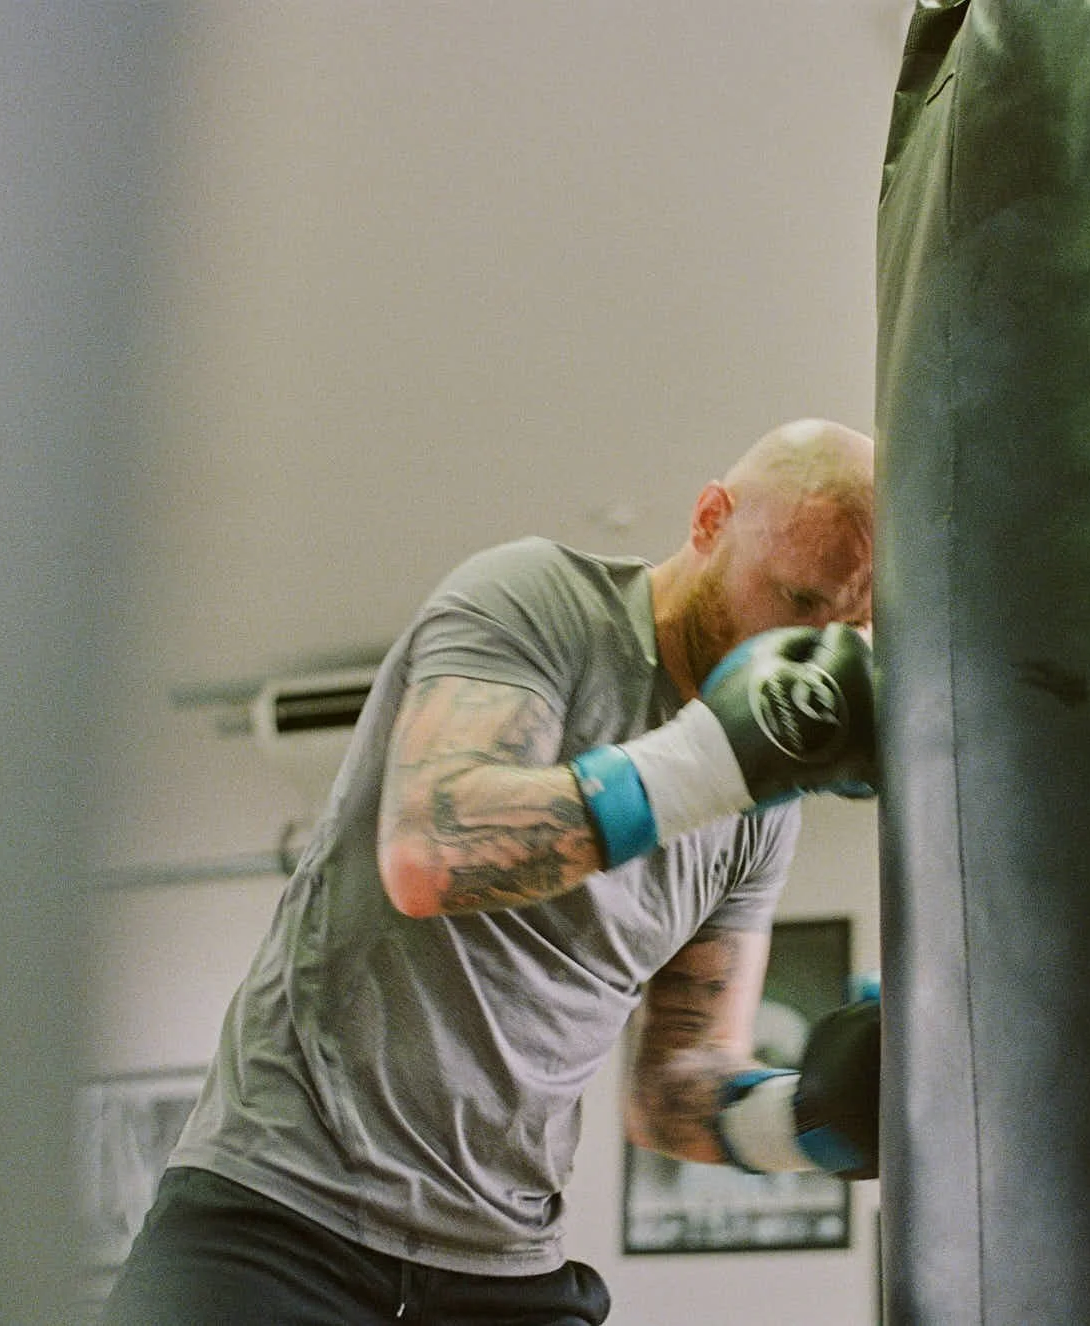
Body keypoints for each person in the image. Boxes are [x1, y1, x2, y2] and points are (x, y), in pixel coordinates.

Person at [102, 419, 885, 1325]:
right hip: (280, 1216)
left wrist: (802, 1122)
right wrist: (715, 762)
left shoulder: (759, 811)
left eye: (851, 622)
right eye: (796, 598)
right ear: (710, 519)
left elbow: (674, 1082)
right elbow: (433, 850)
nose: (815, 647)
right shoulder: (540, 601)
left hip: (503, 1263)